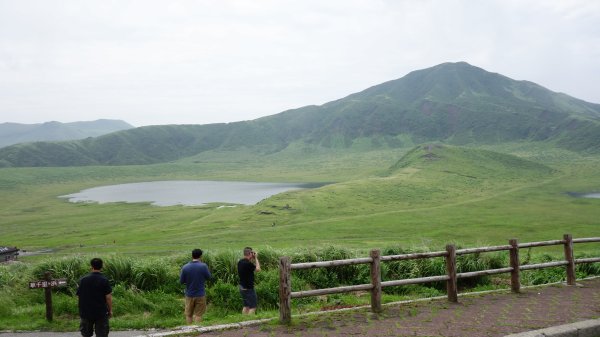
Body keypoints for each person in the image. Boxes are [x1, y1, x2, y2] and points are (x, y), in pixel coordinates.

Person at [77, 258, 113, 337]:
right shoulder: (104, 280)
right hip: (100, 312)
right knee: (102, 334)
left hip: (85, 312)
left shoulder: (83, 280)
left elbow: (79, 296)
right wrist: (110, 310)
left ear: (91, 266)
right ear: (101, 267)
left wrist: (81, 309)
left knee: (86, 334)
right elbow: (108, 297)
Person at [180, 248, 212, 324]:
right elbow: (209, 277)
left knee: (188, 315)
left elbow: (181, 281)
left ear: (192, 256)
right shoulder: (203, 266)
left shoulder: (185, 267)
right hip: (200, 294)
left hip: (189, 294)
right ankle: (197, 331)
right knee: (198, 315)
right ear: (201, 256)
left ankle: (189, 331)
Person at [237, 246, 261, 314]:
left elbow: (250, 267)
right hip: (249, 288)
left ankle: (243, 320)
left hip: (242, 287)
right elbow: (258, 269)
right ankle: (249, 321)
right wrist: (256, 258)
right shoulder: (248, 264)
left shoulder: (240, 262)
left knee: (246, 306)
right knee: (253, 307)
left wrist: (252, 259)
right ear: (250, 253)